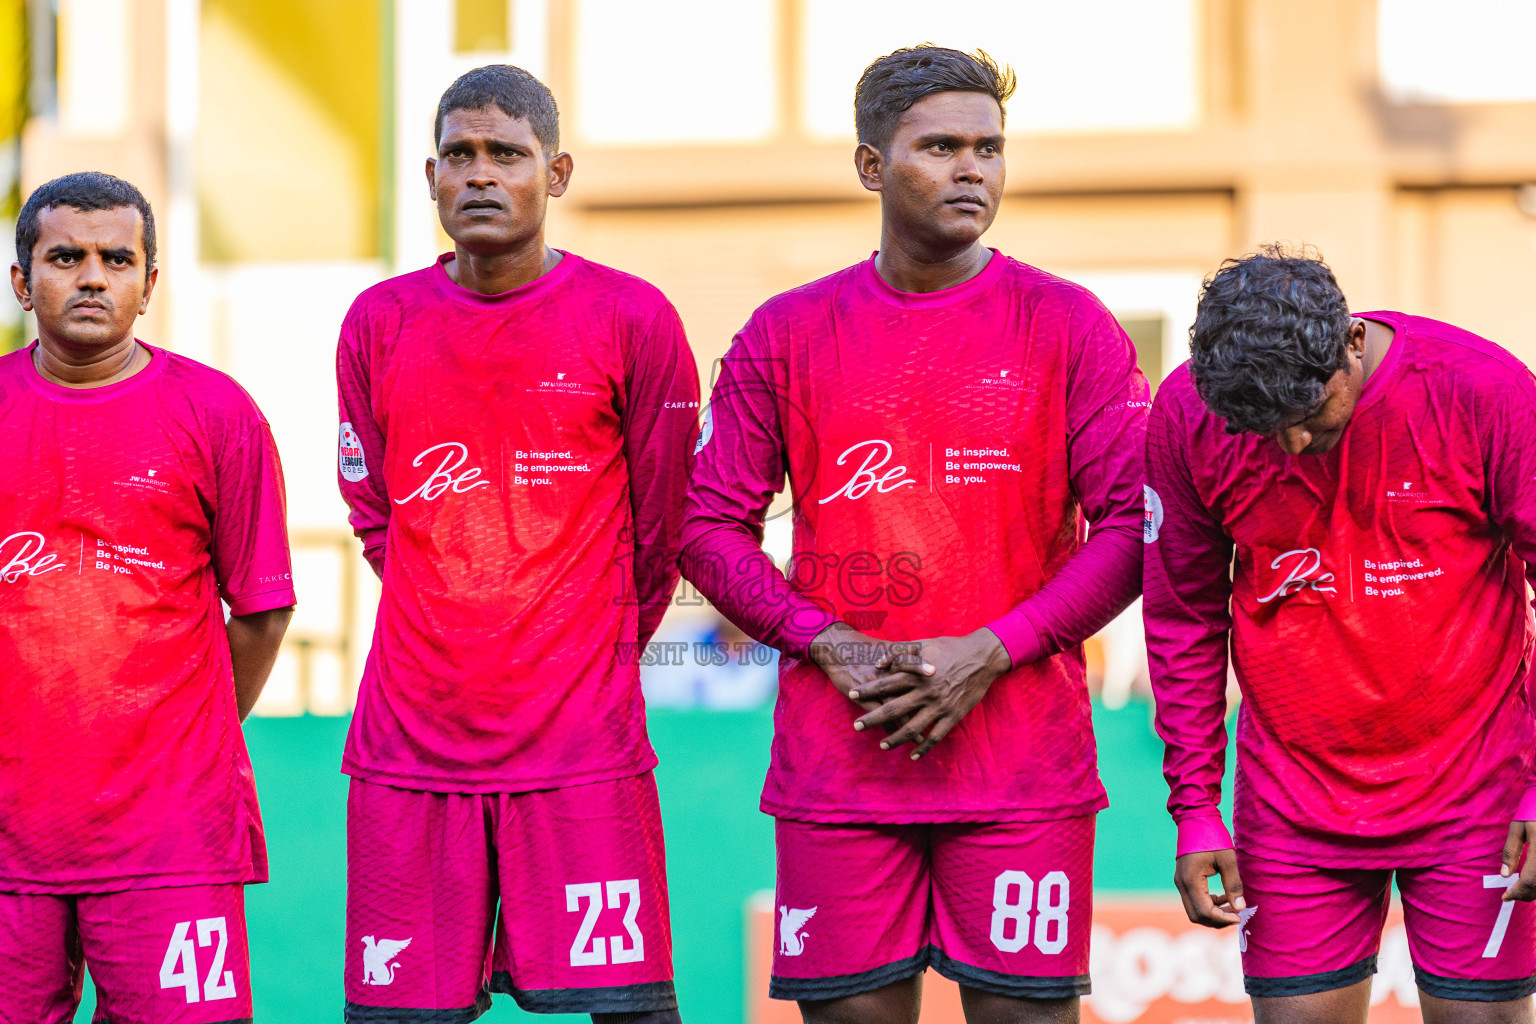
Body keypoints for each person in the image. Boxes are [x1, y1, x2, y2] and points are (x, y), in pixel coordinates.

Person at [682, 46, 1148, 1023]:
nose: (972, 168)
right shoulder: (788, 333)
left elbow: (1132, 532)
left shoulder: (1072, 326)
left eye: (989, 147)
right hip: (840, 770)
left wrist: (993, 649)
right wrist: (831, 643)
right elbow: (706, 524)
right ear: (869, 167)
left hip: (1021, 772)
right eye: (939, 146)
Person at [336, 65, 698, 1022]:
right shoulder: (379, 322)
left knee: (631, 1011)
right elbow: (376, 514)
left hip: (582, 741)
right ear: (430, 175)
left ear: (558, 172)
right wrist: (451, 621)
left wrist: (586, 643)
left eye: (508, 154)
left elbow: (666, 524)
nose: (482, 176)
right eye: (461, 155)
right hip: (412, 745)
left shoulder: (632, 317)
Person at [1145, 247, 1536, 1023]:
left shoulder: (1483, 391)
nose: (1289, 447)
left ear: (1352, 344)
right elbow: (1183, 615)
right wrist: (1194, 807)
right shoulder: (1188, 413)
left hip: (1477, 794)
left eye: (1306, 417)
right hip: (1293, 807)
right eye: (1263, 429)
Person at [0, 172, 294, 1022]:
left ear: (149, 283)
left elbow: (264, 609)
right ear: (24, 281)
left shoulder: (217, 415)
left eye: (116, 259)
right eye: (66, 257)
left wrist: (183, 742)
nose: (92, 276)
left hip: (171, 836)